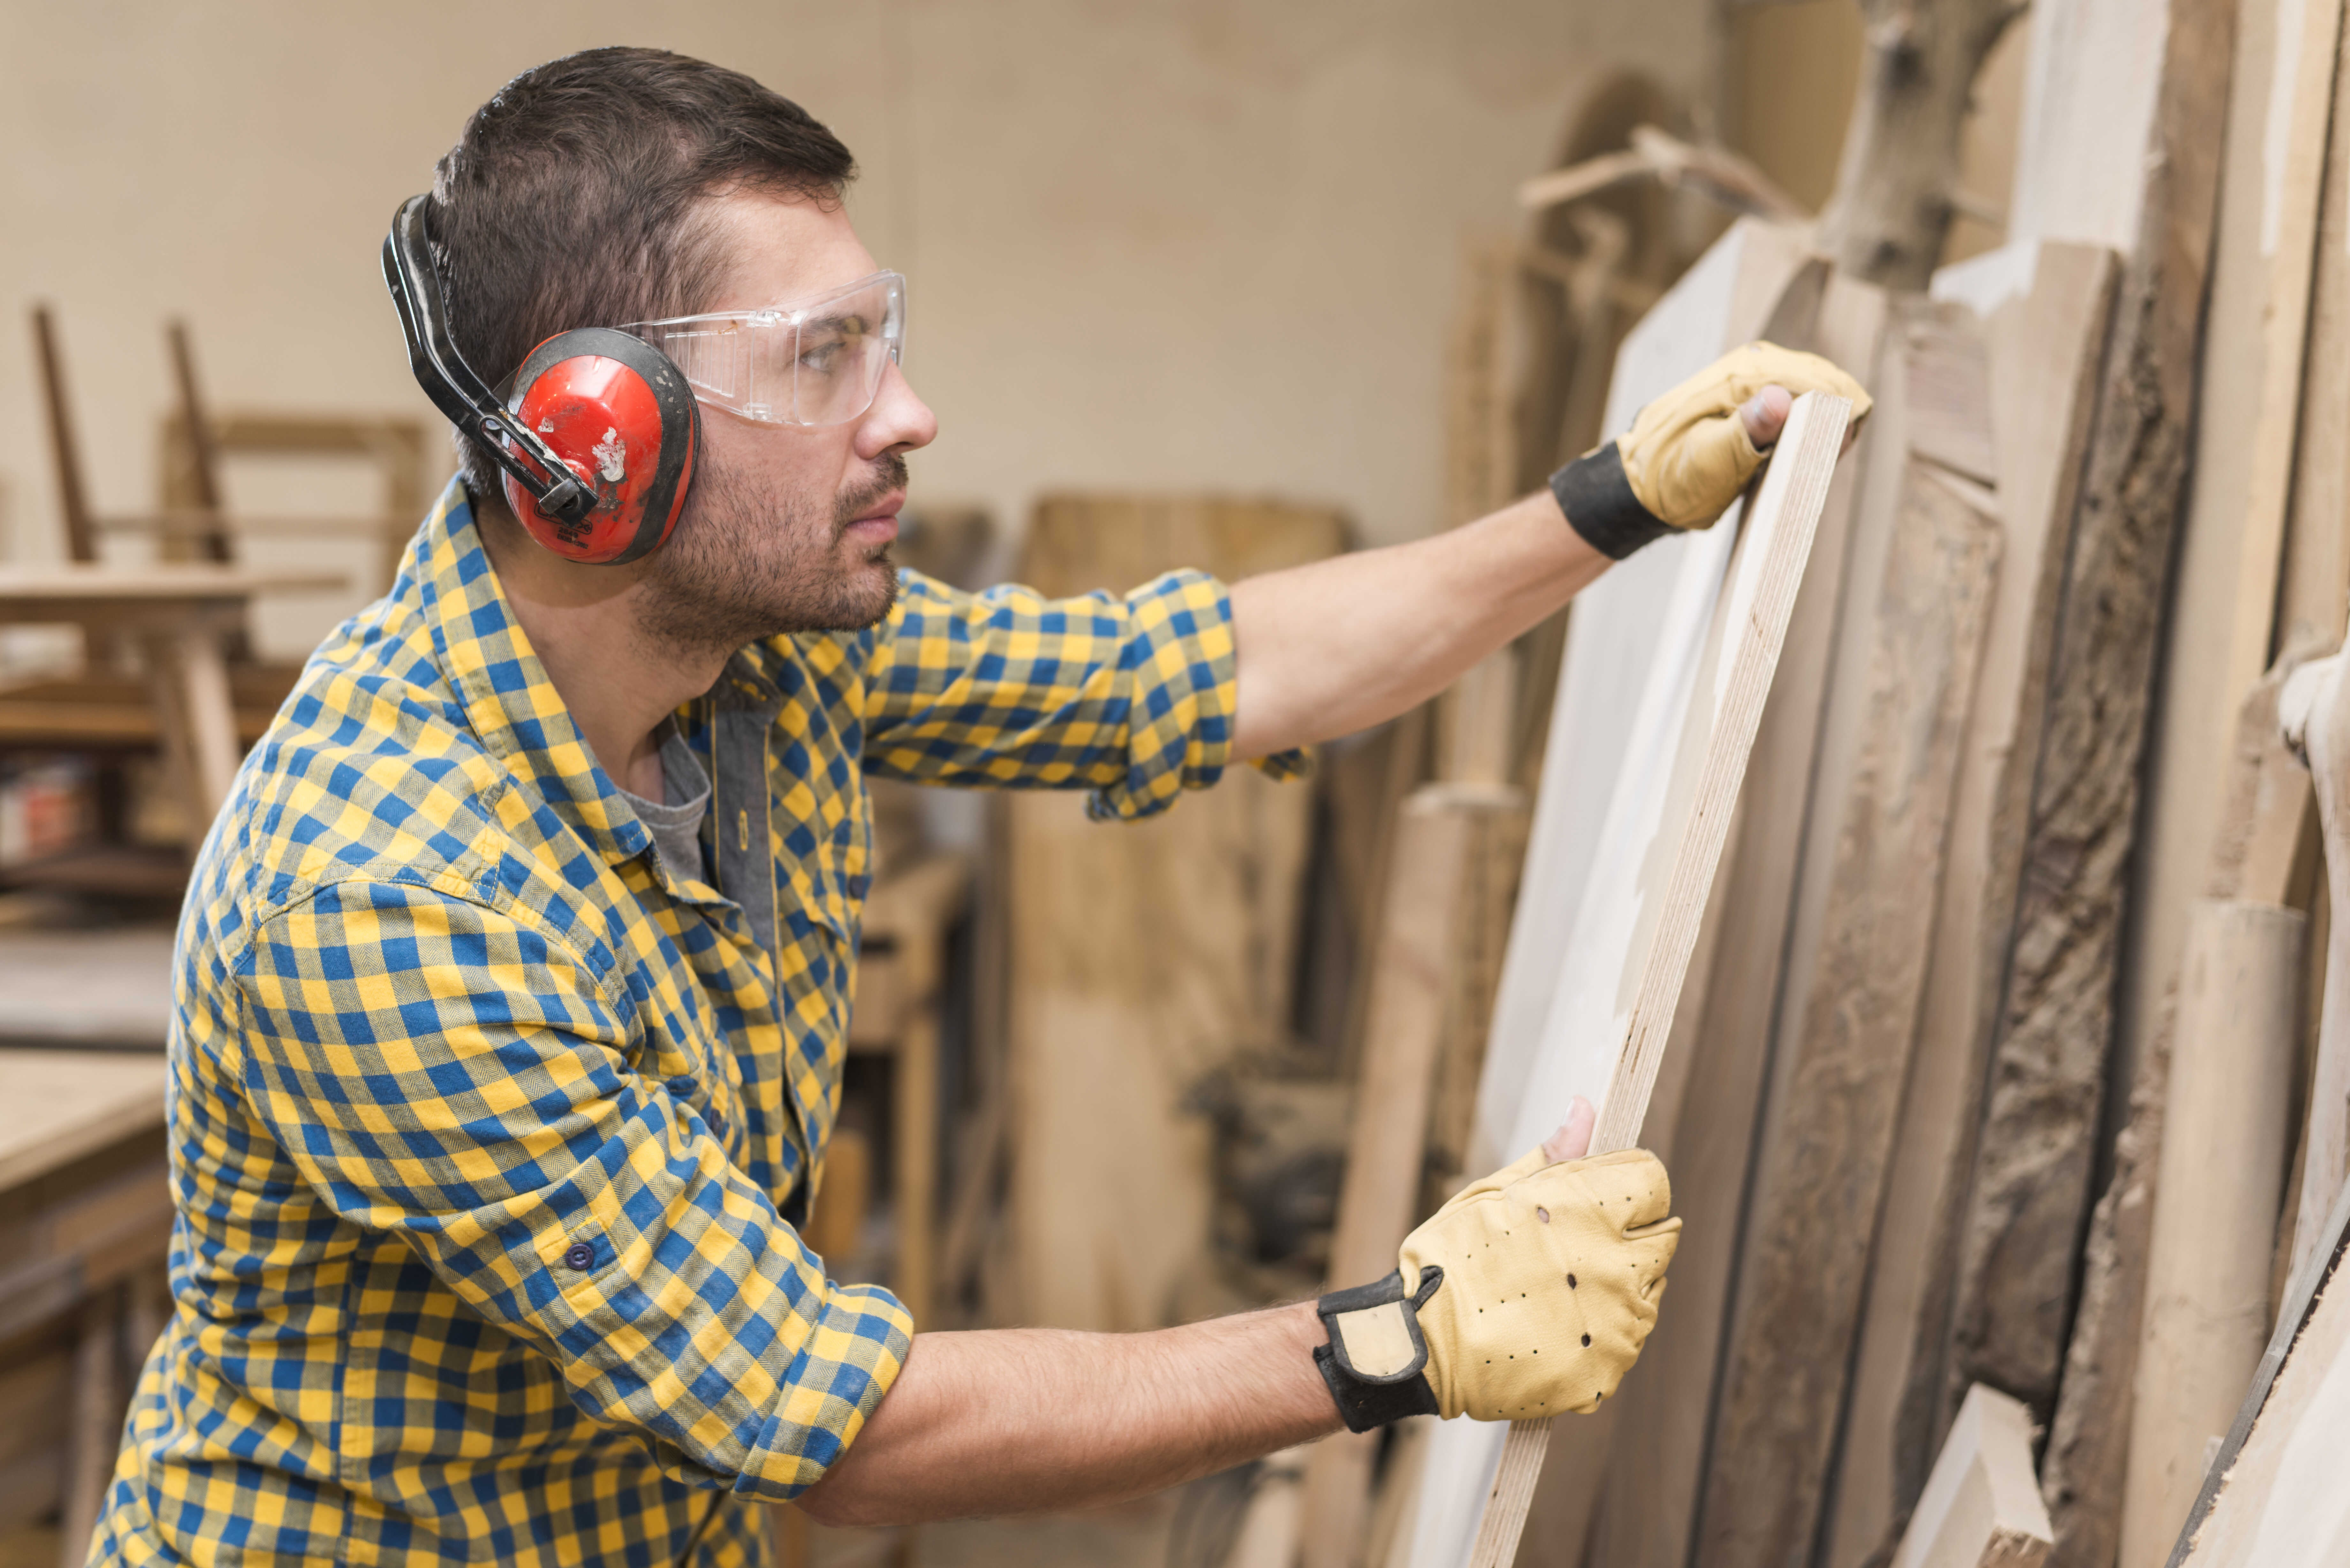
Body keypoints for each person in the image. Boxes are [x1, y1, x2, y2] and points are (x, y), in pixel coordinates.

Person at [89, 46, 1867, 1568]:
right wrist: (1401, 1341)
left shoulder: (760, 659)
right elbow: (840, 1427)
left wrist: (1615, 504)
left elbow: (1204, 671)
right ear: (598, 444)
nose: (910, 414)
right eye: (825, 357)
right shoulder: (384, 892)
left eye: (889, 340)